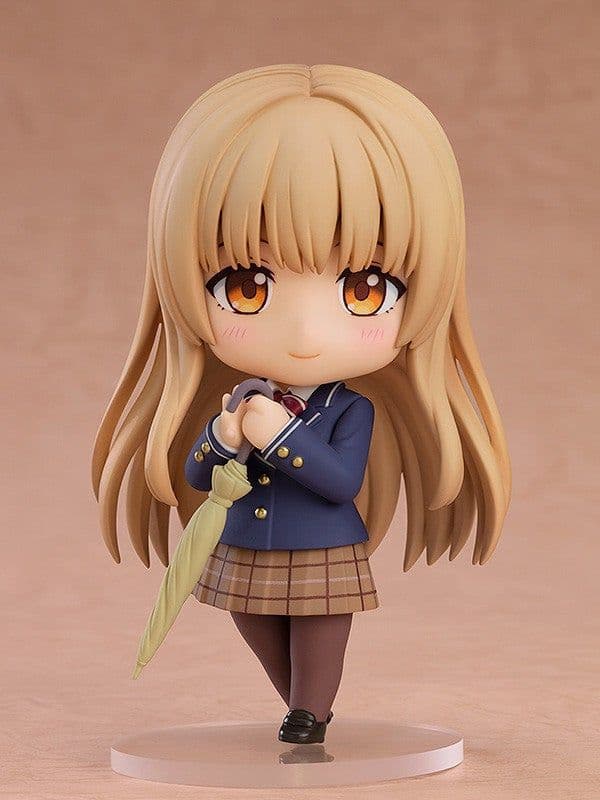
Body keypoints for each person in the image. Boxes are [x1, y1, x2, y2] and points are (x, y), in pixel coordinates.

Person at [92, 64, 511, 744]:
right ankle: (300, 700)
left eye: (365, 289)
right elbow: (196, 473)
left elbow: (340, 482)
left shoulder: (350, 410)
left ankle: (309, 711)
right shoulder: (242, 397)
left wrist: (279, 436)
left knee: (320, 627)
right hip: (243, 538)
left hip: (322, 543)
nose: (307, 335)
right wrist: (225, 433)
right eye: (248, 286)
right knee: (248, 615)